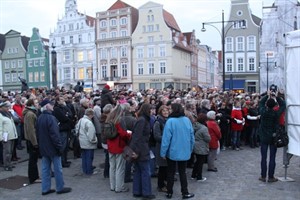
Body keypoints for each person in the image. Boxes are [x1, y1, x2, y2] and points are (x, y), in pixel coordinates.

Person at [36, 98, 72, 195]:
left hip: (44, 147)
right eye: (51, 104)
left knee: (45, 169)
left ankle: (45, 189)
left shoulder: (40, 117)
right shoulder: (51, 118)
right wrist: (59, 147)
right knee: (57, 169)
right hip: (52, 147)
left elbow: (38, 134)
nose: (53, 106)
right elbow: (55, 135)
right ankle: (60, 187)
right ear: (47, 106)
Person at [160, 103, 195, 199]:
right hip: (184, 150)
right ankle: (185, 192)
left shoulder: (170, 121)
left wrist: (163, 152)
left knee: (170, 172)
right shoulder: (187, 120)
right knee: (182, 172)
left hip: (172, 151)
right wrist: (190, 148)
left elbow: (166, 139)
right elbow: (192, 136)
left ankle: (169, 192)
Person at [258, 90, 286, 183]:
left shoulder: (263, 112)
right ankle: (270, 177)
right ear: (274, 106)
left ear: (267, 105)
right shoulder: (276, 113)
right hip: (273, 137)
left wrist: (267, 95)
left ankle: (263, 176)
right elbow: (283, 105)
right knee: (272, 158)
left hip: (264, 137)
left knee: (264, 157)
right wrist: (276, 96)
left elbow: (261, 102)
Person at [130, 103, 156, 199]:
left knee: (139, 170)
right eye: (151, 110)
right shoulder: (142, 120)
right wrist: (136, 151)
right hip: (141, 149)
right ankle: (146, 192)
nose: (153, 111)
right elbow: (137, 137)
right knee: (145, 171)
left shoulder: (142, 119)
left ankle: (137, 191)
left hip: (140, 148)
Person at [106, 104, 132, 193]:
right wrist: (129, 134)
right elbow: (122, 134)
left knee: (112, 167)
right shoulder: (119, 121)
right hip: (119, 146)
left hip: (111, 145)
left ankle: (112, 186)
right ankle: (119, 187)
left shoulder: (109, 119)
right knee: (120, 168)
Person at [23, 98, 41, 184]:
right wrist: (35, 143)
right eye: (36, 103)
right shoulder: (30, 114)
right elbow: (31, 130)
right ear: (32, 105)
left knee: (33, 160)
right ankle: (33, 177)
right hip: (32, 140)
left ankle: (34, 176)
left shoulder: (31, 113)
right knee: (33, 160)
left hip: (31, 139)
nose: (38, 104)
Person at [52, 96, 74, 168]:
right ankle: (62, 161)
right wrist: (67, 116)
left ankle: (65, 160)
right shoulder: (56, 109)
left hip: (66, 128)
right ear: (57, 101)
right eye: (61, 99)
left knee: (66, 146)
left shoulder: (64, 107)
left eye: (63, 99)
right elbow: (64, 118)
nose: (63, 100)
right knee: (63, 146)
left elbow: (71, 114)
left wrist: (67, 115)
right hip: (62, 129)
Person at [76, 108, 98, 175]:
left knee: (84, 157)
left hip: (82, 141)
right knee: (89, 157)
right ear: (90, 115)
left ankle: (85, 169)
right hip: (88, 142)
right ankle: (89, 171)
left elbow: (77, 129)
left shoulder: (81, 120)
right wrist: (94, 140)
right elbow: (91, 134)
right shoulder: (89, 122)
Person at [153, 105, 169, 192]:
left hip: (167, 146)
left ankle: (164, 183)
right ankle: (160, 185)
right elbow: (156, 136)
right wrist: (167, 137)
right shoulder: (158, 122)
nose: (166, 112)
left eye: (167, 111)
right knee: (162, 167)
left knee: (166, 166)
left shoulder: (167, 120)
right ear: (160, 112)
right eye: (164, 111)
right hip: (161, 146)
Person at [191, 113, 211, 181]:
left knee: (197, 161)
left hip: (195, 145)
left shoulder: (194, 125)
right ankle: (199, 176)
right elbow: (207, 139)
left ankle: (193, 174)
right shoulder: (204, 128)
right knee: (200, 162)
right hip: (202, 146)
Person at [0, 101, 18, 171]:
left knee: (10, 151)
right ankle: (6, 165)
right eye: (6, 107)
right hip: (6, 136)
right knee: (6, 152)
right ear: (2, 108)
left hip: (12, 135)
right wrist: (1, 137)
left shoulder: (8, 114)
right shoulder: (0, 116)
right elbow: (0, 127)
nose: (8, 108)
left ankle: (9, 163)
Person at [100, 104, 114, 178]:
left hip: (104, 140)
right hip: (106, 141)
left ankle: (106, 172)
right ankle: (107, 173)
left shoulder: (104, 118)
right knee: (109, 158)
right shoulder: (106, 120)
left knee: (107, 157)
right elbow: (107, 133)